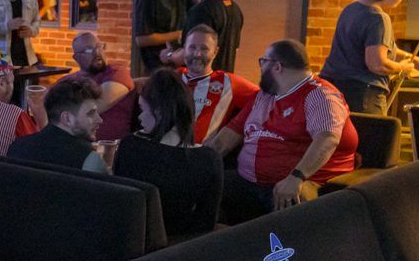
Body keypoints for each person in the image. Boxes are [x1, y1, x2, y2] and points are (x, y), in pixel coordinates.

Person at [208, 40, 359, 223]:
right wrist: (198, 163)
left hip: (292, 182)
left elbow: (327, 139)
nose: (261, 68)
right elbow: (228, 136)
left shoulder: (319, 95)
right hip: (249, 180)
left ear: (277, 67)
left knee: (293, 198)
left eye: (262, 62)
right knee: (205, 187)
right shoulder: (265, 95)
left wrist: (296, 177)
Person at [319, 0, 419, 115]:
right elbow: (377, 64)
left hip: (332, 90)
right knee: (372, 138)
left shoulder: (351, 8)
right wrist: (404, 68)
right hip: (362, 97)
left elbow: (374, 47)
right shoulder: (378, 18)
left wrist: (412, 59)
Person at [7, 75, 109, 173]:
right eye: (90, 114)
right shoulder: (90, 160)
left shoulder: (17, 147)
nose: (99, 120)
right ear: (67, 118)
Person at [178, 24, 258, 144]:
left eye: (204, 49)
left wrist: (236, 127)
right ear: (184, 49)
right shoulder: (172, 77)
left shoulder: (229, 83)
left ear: (215, 52)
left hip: (199, 156)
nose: (197, 54)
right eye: (192, 47)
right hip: (165, 150)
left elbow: (263, 97)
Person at [166, 0, 244, 72]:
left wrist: (169, 56)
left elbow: (190, 54)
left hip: (203, 83)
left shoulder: (200, 11)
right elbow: (235, 49)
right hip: (224, 82)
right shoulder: (234, 7)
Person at [64, 31, 135, 142]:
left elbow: (96, 106)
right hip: (71, 145)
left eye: (100, 47)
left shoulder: (117, 73)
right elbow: (51, 115)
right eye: (89, 50)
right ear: (76, 58)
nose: (97, 53)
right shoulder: (65, 81)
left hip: (109, 147)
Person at [136, 69, 195, 146]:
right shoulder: (207, 155)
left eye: (142, 109)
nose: (139, 117)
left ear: (160, 111)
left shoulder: (134, 146)